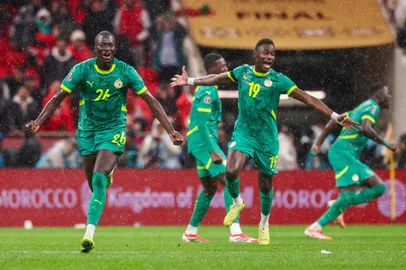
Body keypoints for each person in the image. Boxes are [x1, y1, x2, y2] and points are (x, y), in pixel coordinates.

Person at [170, 38, 358, 245]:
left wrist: (335, 116)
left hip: (267, 140)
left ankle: (264, 224)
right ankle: (236, 204)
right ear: (256, 54)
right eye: (265, 53)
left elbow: (307, 98)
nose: (269, 57)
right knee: (231, 171)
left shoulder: (278, 80)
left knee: (266, 184)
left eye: (272, 54)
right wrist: (189, 81)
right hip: (244, 135)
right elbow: (216, 79)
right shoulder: (243, 72)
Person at [26, 31, 184, 253]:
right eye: (102, 46)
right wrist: (39, 121)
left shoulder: (126, 71)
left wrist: (170, 130)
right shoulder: (82, 69)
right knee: (93, 183)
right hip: (87, 130)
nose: (107, 49)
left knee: (99, 180)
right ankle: (106, 177)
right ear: (95, 48)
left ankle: (89, 233)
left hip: (113, 129)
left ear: (114, 48)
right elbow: (58, 97)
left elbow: (150, 100)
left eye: (110, 45)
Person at [304, 84, 396, 240]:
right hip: (343, 153)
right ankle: (315, 228)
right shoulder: (372, 107)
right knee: (348, 195)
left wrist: (318, 143)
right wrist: (386, 144)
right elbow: (366, 129)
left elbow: (334, 122)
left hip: (349, 155)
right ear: (379, 95)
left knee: (379, 187)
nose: (389, 97)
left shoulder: (361, 108)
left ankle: (337, 205)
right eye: (387, 94)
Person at [182, 53, 256, 243]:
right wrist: (212, 150)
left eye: (225, 65)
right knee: (230, 179)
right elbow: (199, 123)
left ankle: (190, 232)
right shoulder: (207, 91)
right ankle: (235, 232)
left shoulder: (210, 88)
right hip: (204, 143)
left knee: (209, 188)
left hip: (200, 142)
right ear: (211, 69)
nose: (225, 69)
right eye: (221, 66)